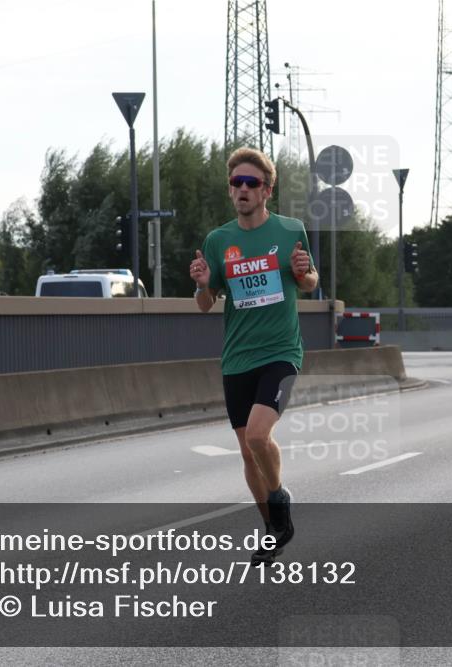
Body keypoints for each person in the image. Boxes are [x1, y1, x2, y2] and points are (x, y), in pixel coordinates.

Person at [189, 147, 318, 565]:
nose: (242, 190)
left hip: (281, 352)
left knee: (260, 436)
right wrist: (205, 284)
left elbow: (311, 283)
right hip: (237, 358)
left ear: (267, 190)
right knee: (247, 451)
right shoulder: (218, 240)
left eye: (251, 183)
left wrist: (304, 272)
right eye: (236, 183)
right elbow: (204, 305)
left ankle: (279, 500)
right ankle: (273, 531)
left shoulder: (289, 230)